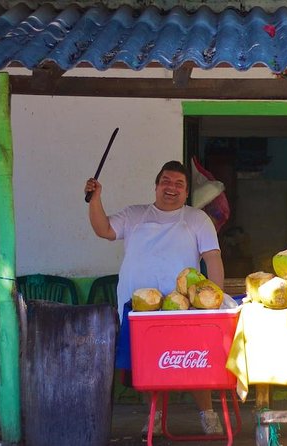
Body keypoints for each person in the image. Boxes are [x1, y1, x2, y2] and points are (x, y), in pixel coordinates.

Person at [84, 160, 225, 436]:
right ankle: (155, 417)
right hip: (139, 308)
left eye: (178, 184)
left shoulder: (197, 219)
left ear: (186, 193)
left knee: (194, 360)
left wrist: (213, 301)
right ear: (156, 186)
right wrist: (95, 199)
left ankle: (207, 414)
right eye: (166, 182)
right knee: (148, 364)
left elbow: (213, 259)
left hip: (184, 308)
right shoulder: (134, 215)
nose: (171, 188)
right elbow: (104, 230)